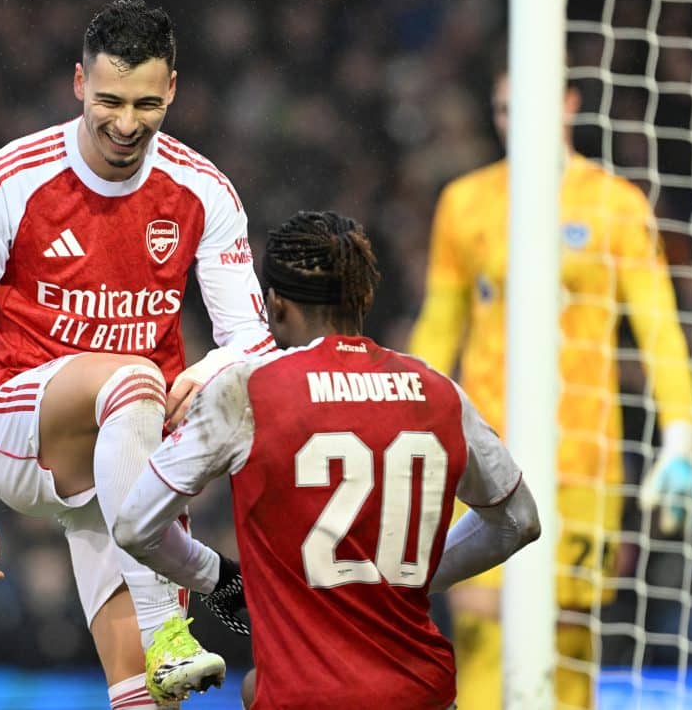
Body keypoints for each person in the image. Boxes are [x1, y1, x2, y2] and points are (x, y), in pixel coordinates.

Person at [0, 0, 274, 708]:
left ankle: (202, 589)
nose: (126, 123)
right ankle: (183, 609)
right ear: (79, 83)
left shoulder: (202, 190)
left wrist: (207, 369)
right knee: (135, 377)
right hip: (21, 430)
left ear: (172, 90)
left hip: (131, 462)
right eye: (109, 100)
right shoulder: (8, 180)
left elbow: (254, 342)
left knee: (148, 696)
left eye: (145, 103)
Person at [112, 210, 541, 709]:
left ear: (275, 305)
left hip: (305, 697)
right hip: (423, 692)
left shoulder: (248, 391)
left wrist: (218, 577)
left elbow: (134, 527)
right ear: (363, 297)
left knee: (254, 689)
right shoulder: (439, 391)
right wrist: (413, 575)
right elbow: (519, 521)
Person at [408, 53, 692, 709]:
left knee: (567, 635)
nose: (515, 121)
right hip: (484, 453)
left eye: (530, 106)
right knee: (481, 625)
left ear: (569, 104)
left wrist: (680, 439)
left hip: (583, 457)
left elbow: (659, 329)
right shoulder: (465, 202)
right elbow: (439, 326)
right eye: (503, 109)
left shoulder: (615, 204)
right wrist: (404, 424)